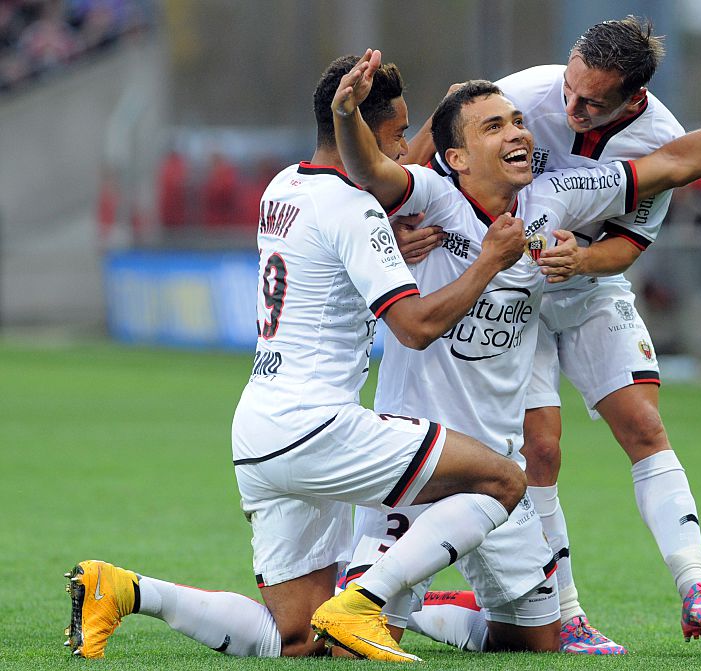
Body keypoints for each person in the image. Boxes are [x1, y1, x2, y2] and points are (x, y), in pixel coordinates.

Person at [332, 38, 701, 654]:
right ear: (455, 157)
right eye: (496, 126)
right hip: (418, 453)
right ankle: (378, 597)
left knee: (537, 634)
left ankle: (462, 611)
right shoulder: (435, 192)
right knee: (334, 636)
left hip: (520, 412)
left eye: (519, 123)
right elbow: (377, 171)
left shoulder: (558, 194)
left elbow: (675, 166)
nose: (528, 127)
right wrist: (358, 143)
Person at [64, 55, 530, 663]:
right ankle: (370, 599)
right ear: (361, 131)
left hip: (258, 431)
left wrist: (389, 221)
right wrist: (490, 259)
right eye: (396, 131)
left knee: (299, 639)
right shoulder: (355, 209)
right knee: (503, 479)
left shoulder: (283, 185)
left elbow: (342, 244)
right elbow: (413, 329)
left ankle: (124, 590)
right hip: (319, 428)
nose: (403, 149)